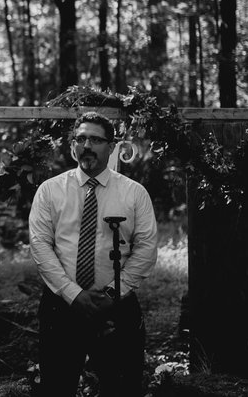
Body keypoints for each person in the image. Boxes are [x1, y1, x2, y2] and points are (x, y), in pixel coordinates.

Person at [28, 111, 158, 397]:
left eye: (96, 140)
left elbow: (146, 249)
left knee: (122, 387)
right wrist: (73, 294)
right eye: (81, 138)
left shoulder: (134, 194)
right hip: (61, 307)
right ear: (72, 145)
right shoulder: (49, 191)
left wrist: (112, 294)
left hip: (117, 307)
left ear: (112, 147)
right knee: (56, 387)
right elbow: (40, 246)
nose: (87, 146)